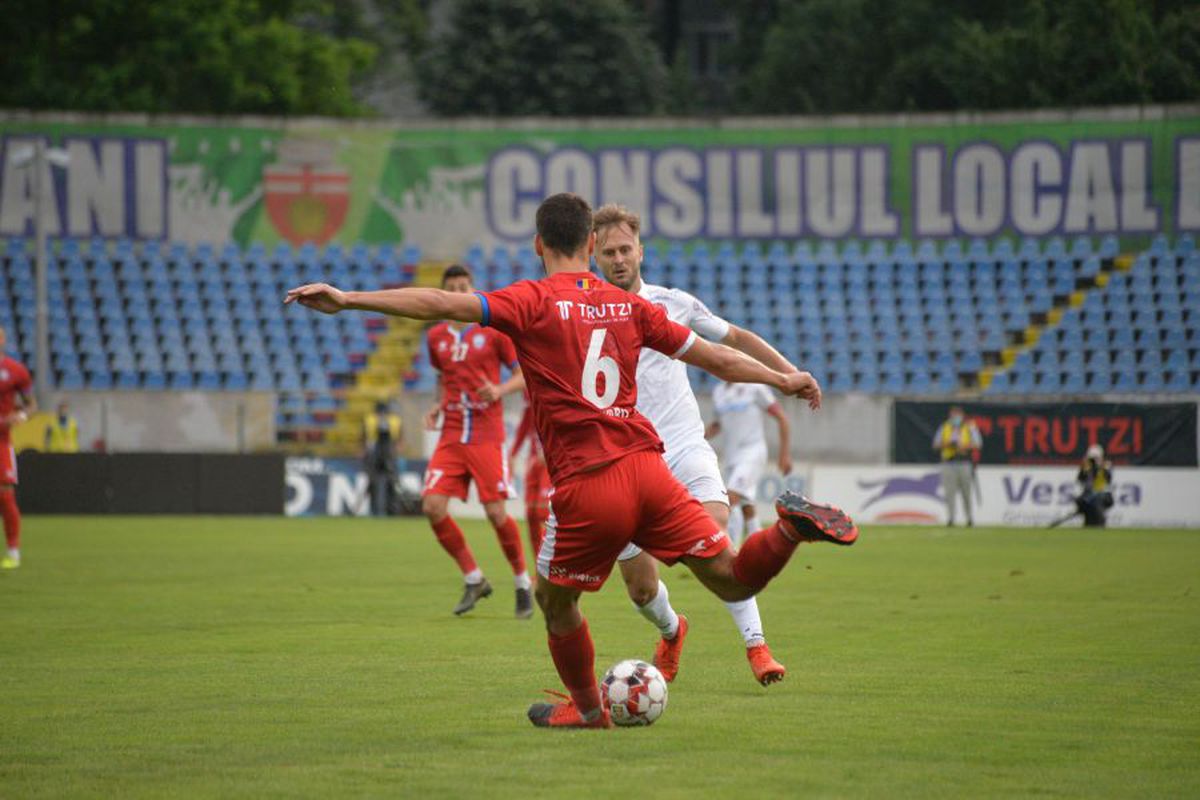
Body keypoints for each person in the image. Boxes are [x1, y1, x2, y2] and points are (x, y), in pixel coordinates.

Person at [285, 193, 858, 730]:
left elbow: (438, 303)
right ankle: (786, 531)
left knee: (555, 602)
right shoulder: (630, 306)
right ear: (590, 245)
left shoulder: (527, 301)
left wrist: (349, 298)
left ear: (539, 245)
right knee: (731, 580)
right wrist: (783, 377)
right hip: (648, 469)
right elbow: (719, 359)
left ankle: (587, 712)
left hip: (588, 484)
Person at [593, 203, 795, 686]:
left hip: (683, 447)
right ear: (594, 256)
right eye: (608, 252)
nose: (619, 259)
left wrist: (788, 374)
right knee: (642, 591)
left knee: (715, 533)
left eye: (626, 249)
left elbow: (736, 337)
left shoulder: (673, 303)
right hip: (622, 461)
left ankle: (757, 647)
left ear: (641, 250)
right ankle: (672, 628)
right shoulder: (583, 313)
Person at [421, 264, 533, 618]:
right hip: (452, 432)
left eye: (464, 286)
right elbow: (442, 376)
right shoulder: (435, 336)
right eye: (451, 286)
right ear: (443, 291)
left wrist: (499, 389)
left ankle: (522, 583)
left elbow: (524, 375)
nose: (458, 291)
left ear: (472, 288)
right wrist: (439, 404)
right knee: (432, 506)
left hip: (486, 432)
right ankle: (474, 578)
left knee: (496, 512)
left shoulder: (493, 330)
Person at [707, 380, 793, 548]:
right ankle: (763, 548)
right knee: (747, 506)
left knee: (729, 500)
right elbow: (718, 424)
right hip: (732, 457)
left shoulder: (755, 388)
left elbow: (782, 418)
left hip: (752, 452)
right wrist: (698, 436)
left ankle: (731, 551)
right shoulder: (718, 391)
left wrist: (784, 455)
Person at [0, 325, 35, 569]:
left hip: (2, 442)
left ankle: (13, 551)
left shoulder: (15, 371)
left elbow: (31, 405)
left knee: (5, 493)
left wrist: (21, 417)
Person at [510, 399, 550, 559]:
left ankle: (558, 565)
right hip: (533, 461)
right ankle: (539, 568)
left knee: (544, 513)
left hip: (552, 461)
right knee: (531, 514)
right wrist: (513, 453)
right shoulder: (529, 395)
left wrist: (549, 449)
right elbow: (525, 425)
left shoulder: (555, 386)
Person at [931, 405, 982, 526]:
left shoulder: (969, 427)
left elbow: (978, 444)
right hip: (948, 462)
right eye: (953, 415)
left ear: (962, 416)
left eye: (957, 415)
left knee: (966, 493)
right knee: (949, 493)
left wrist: (964, 446)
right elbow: (935, 444)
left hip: (964, 462)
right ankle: (951, 519)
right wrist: (947, 443)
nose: (955, 418)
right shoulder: (944, 427)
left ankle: (969, 518)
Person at [363, 400, 402, 516]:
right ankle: (390, 510)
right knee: (388, 483)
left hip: (380, 454)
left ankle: (379, 509)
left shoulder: (369, 420)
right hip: (382, 454)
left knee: (380, 483)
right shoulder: (395, 420)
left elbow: (363, 438)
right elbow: (400, 439)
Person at [1075, 443, 1114, 527]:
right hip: (1089, 495)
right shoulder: (1086, 467)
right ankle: (1088, 523)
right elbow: (1080, 479)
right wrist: (1085, 469)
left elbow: (1108, 480)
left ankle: (1100, 523)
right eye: (1092, 458)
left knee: (1097, 501)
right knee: (1080, 501)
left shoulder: (1105, 467)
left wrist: (1102, 467)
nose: (1093, 461)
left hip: (1103, 495)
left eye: (1096, 458)